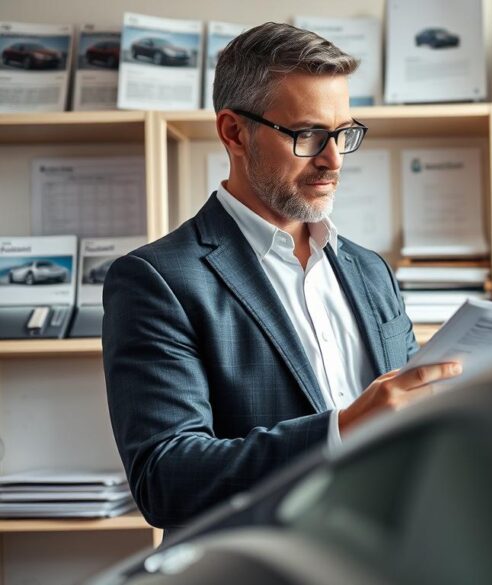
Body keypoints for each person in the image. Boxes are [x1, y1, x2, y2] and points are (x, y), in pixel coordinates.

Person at [102, 22, 461, 530]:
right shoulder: (156, 280)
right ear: (233, 132)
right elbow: (166, 478)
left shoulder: (371, 270)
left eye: (342, 134)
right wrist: (340, 429)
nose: (333, 159)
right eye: (309, 134)